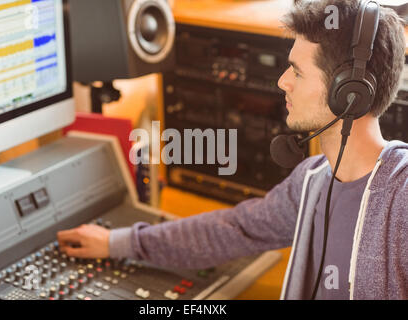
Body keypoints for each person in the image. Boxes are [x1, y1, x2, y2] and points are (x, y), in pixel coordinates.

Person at [57, 0, 407, 299]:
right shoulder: (312, 181)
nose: (282, 81)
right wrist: (117, 243)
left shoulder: (401, 195)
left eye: (297, 72)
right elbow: (232, 229)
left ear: (349, 92)